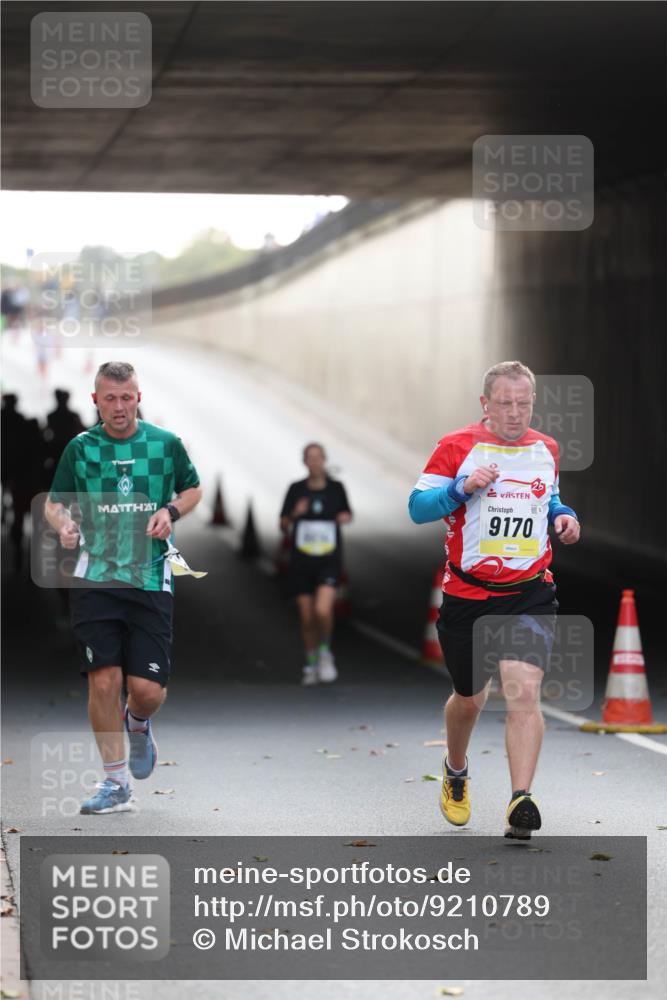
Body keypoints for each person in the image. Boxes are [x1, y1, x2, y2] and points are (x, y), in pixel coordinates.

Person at [409, 361, 580, 839]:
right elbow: (417, 507)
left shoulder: (545, 448)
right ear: (486, 404)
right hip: (467, 594)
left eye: (523, 404)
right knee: (469, 698)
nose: (514, 412)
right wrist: (460, 488)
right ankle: (456, 771)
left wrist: (564, 517)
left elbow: (548, 499)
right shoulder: (457, 446)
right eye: (505, 404)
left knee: (523, 690)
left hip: (529, 591)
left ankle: (520, 799)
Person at [44, 361, 202, 815]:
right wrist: (65, 525)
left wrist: (171, 511)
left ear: (138, 397)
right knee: (104, 680)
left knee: (146, 690)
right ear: (95, 400)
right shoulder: (81, 449)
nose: (119, 406)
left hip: (151, 576)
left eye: (126, 397)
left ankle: (138, 722)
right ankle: (116, 784)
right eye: (109, 398)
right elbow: (55, 503)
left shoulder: (165, 444)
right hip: (96, 578)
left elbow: (193, 490)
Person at [279, 443, 352, 685]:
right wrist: (295, 514)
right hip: (301, 561)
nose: (315, 462)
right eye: (310, 458)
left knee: (322, 610)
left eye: (318, 458)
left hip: (329, 560)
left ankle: (325, 652)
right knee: (307, 617)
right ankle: (310, 663)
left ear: (324, 460)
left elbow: (347, 513)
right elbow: (283, 524)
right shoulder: (296, 489)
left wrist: (344, 517)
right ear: (304, 462)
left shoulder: (336, 489)